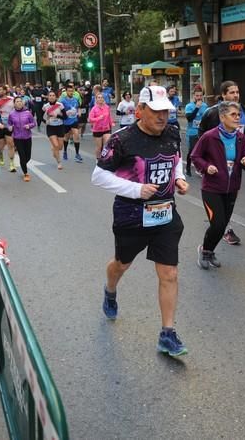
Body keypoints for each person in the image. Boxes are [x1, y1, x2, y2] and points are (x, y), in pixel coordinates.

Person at [91, 85, 190, 357]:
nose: (162, 117)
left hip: (165, 212)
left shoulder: (171, 132)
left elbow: (175, 159)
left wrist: (178, 178)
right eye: (156, 111)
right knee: (121, 264)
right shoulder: (121, 140)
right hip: (131, 215)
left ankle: (167, 333)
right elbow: (98, 177)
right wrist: (136, 189)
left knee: (169, 273)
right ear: (140, 111)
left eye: (166, 111)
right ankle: (110, 290)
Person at [191, 101, 245, 269]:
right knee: (217, 224)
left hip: (232, 188)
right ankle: (204, 251)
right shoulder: (210, 136)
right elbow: (195, 156)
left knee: (223, 225)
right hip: (212, 188)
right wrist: (206, 167)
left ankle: (209, 251)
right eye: (233, 114)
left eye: (238, 115)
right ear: (222, 117)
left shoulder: (240, 137)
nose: (237, 117)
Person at [198, 80, 245, 245]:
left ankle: (223, 228)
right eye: (231, 92)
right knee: (218, 220)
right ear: (223, 95)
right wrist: (205, 162)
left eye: (237, 92)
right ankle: (222, 231)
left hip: (234, 167)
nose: (236, 95)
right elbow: (201, 136)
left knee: (226, 205)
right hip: (215, 169)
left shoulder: (243, 110)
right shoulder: (212, 113)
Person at [8, 96, 37, 182]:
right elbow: (9, 124)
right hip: (17, 138)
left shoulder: (28, 113)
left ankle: (23, 164)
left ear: (23, 103)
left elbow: (33, 123)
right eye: (17, 101)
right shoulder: (12, 114)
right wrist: (10, 127)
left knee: (28, 156)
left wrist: (29, 126)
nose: (19, 103)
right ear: (14, 104)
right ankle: (26, 173)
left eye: (20, 101)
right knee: (22, 156)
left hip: (27, 137)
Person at [0, 85, 16, 172]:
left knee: (11, 144)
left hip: (9, 125)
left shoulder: (12, 100)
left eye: (0, 90)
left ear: (5, 91)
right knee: (1, 145)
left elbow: (15, 111)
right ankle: (1, 153)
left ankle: (12, 164)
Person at [184, 89, 208, 176]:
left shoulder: (205, 106)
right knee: (192, 151)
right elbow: (189, 118)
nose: (199, 98)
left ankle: (200, 169)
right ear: (193, 96)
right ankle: (187, 168)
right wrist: (197, 108)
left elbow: (207, 118)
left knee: (203, 151)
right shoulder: (189, 106)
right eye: (197, 96)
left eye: (200, 96)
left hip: (202, 132)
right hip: (192, 132)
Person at [42, 91, 66, 170]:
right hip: (50, 127)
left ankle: (54, 149)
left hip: (60, 127)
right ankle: (59, 162)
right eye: (50, 95)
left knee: (60, 147)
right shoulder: (45, 106)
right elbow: (41, 117)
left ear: (56, 97)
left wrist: (58, 115)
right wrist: (46, 121)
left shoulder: (60, 105)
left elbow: (65, 117)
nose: (52, 97)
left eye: (53, 95)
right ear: (48, 97)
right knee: (56, 145)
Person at [59, 84, 83, 163]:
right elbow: (59, 109)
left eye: (72, 91)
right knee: (66, 137)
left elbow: (78, 107)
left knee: (76, 135)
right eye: (69, 91)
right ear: (66, 92)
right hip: (66, 122)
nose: (71, 92)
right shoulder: (63, 100)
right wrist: (64, 113)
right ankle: (65, 151)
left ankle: (77, 154)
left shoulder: (75, 99)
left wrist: (79, 112)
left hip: (74, 120)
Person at [89, 92, 114, 159]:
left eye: (101, 97)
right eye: (99, 97)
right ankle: (98, 160)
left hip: (106, 129)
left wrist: (111, 123)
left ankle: (104, 159)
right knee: (99, 147)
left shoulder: (107, 107)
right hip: (97, 130)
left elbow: (109, 117)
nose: (100, 99)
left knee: (106, 146)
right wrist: (98, 118)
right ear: (96, 99)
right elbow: (90, 119)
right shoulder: (94, 109)